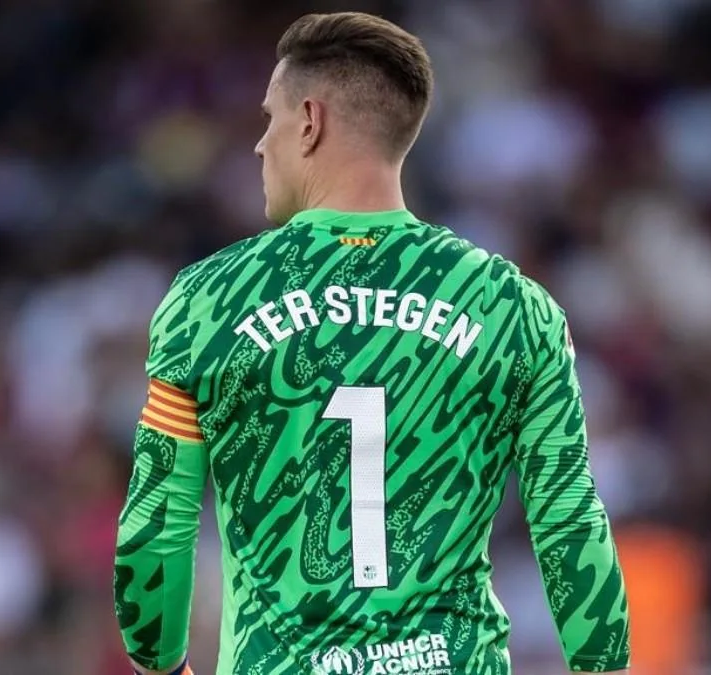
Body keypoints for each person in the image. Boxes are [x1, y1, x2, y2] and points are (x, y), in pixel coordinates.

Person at [114, 11, 630, 675]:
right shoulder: (510, 305)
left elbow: (156, 526)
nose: (260, 145)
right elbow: (569, 521)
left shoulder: (209, 300)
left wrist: (161, 667)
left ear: (309, 121)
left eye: (269, 120)